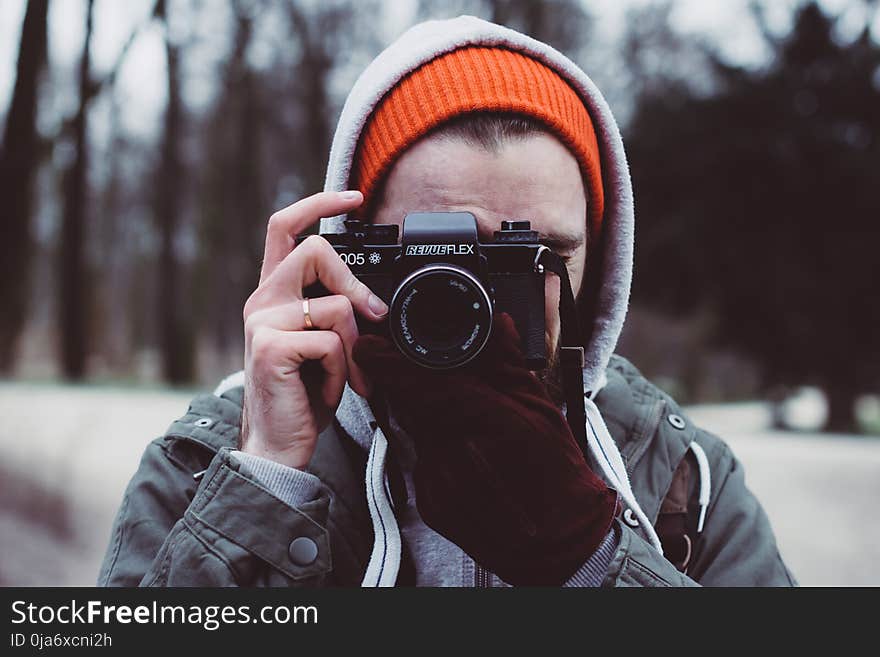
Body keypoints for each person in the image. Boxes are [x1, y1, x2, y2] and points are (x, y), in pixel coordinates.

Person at [98, 16, 796, 587]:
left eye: (533, 259)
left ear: (601, 265)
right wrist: (267, 478)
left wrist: (588, 555)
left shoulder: (676, 474)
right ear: (352, 251)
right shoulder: (206, 464)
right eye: (437, 258)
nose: (483, 305)